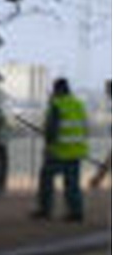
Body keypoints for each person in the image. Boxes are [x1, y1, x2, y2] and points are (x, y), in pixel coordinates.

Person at [31, 78, 90, 222]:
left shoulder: (57, 105)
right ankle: (76, 212)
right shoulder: (79, 104)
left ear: (58, 90)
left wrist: (48, 146)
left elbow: (52, 130)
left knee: (46, 180)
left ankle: (45, 210)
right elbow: (84, 129)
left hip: (58, 151)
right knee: (72, 185)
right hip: (76, 152)